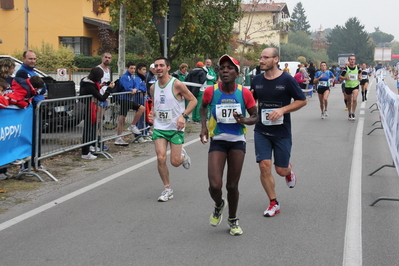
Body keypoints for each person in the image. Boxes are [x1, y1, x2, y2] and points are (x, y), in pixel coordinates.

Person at [200, 54, 258, 235]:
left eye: (229, 68)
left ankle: (233, 219)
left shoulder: (244, 92)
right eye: (222, 68)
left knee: (232, 186)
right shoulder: (211, 91)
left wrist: (244, 120)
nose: (225, 70)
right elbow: (202, 107)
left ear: (237, 73)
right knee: (215, 186)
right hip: (218, 140)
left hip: (237, 142)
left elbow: (255, 116)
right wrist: (203, 127)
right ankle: (219, 204)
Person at [251, 47, 307, 217]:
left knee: (280, 170)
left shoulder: (287, 80)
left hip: (281, 131)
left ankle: (289, 171)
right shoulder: (256, 79)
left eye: (265, 57)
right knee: (264, 166)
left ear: (276, 59)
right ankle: (273, 202)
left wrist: (282, 110)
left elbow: (302, 101)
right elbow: (252, 100)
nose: (261, 60)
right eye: (261, 57)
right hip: (261, 130)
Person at [147, 57, 197, 202]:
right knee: (161, 157)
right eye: (156, 66)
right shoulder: (153, 87)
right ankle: (167, 189)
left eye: (161, 65)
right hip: (160, 127)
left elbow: (193, 100)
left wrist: (183, 116)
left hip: (175, 128)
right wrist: (152, 112)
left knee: (175, 162)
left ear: (168, 68)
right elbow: (155, 104)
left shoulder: (177, 84)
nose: (158, 68)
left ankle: (182, 156)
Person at [16, 50, 47, 170]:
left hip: (38, 107)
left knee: (37, 136)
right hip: (29, 109)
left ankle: (36, 162)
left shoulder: (34, 72)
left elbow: (43, 88)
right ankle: (26, 165)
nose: (33, 61)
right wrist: (37, 90)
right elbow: (27, 90)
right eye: (30, 59)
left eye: (34, 59)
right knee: (29, 137)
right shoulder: (22, 73)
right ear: (23, 59)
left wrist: (38, 90)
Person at [79, 67, 114, 159]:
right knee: (87, 130)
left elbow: (94, 89)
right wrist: (109, 89)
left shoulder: (85, 81)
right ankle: (85, 153)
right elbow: (101, 98)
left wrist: (101, 86)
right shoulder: (90, 86)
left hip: (89, 107)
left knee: (92, 128)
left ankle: (90, 145)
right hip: (89, 108)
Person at [114, 62, 145, 146]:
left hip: (127, 99)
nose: (133, 70)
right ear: (127, 68)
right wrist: (133, 90)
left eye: (134, 68)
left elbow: (137, 86)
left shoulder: (131, 77)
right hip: (123, 99)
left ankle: (122, 134)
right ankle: (119, 136)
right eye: (131, 68)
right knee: (122, 118)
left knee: (123, 119)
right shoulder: (124, 77)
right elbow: (128, 88)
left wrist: (135, 89)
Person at [0, 58, 15, 179]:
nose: (14, 70)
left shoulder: (12, 79)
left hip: (9, 114)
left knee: (6, 142)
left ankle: (4, 169)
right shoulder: (2, 79)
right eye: (12, 67)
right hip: (2, 112)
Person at [96, 52, 113, 151]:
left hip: (105, 97)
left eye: (109, 58)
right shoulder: (98, 69)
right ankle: (97, 142)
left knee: (100, 120)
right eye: (106, 57)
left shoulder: (108, 70)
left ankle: (99, 142)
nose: (107, 59)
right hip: (99, 97)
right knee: (98, 121)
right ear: (102, 58)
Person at [132, 63, 151, 142]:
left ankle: (144, 132)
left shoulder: (142, 78)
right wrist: (143, 90)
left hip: (143, 101)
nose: (144, 71)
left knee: (144, 118)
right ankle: (138, 135)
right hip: (138, 100)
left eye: (145, 70)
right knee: (140, 119)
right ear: (138, 70)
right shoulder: (137, 78)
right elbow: (138, 87)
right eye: (143, 69)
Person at [340, 55, 361, 121]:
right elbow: (340, 77)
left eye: (353, 59)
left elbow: (360, 73)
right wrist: (346, 78)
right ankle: (349, 112)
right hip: (348, 86)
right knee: (349, 101)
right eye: (351, 59)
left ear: (355, 60)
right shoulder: (346, 69)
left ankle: (353, 112)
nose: (352, 61)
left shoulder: (358, 68)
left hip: (355, 85)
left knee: (354, 99)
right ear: (349, 60)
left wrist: (359, 77)